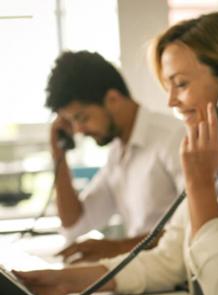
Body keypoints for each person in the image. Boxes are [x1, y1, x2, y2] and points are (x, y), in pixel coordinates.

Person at [15, 12, 218, 295]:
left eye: (181, 84)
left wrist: (200, 186)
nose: (171, 101)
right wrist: (66, 280)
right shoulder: (214, 154)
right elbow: (169, 259)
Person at [44, 51, 185, 263]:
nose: (79, 130)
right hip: (143, 276)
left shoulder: (173, 138)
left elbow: (195, 229)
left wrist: (117, 248)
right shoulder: (118, 153)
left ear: (113, 99)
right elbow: (74, 225)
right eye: (71, 122)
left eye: (82, 117)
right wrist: (58, 154)